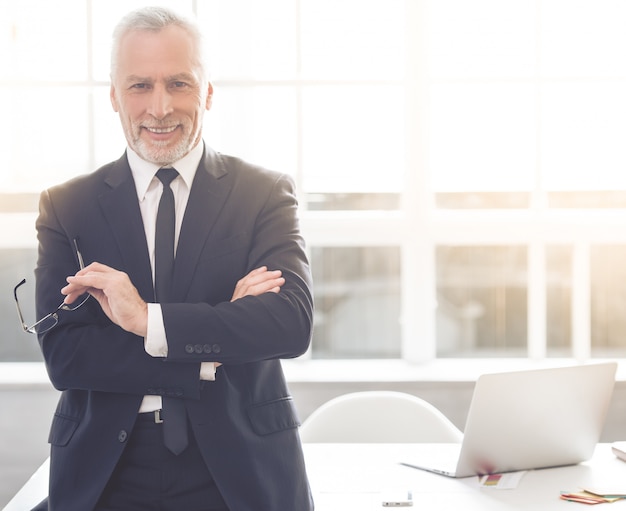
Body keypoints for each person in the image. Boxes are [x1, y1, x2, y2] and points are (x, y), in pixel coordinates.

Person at [32, 6, 314, 511]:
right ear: (115, 97)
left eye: (179, 84)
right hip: (106, 471)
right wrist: (209, 348)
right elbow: (67, 356)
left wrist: (144, 320)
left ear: (207, 91)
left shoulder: (264, 193)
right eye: (140, 86)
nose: (160, 108)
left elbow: (288, 324)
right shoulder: (67, 205)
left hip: (240, 466)